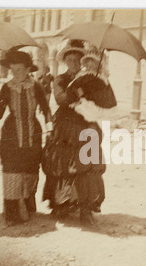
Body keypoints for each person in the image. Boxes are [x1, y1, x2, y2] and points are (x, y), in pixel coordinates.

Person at [42, 40, 117, 226]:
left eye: (77, 59)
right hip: (65, 126)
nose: (74, 63)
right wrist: (78, 90)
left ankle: (85, 209)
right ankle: (63, 204)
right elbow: (61, 99)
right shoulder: (60, 79)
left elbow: (106, 101)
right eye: (70, 59)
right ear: (65, 61)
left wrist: (96, 85)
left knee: (88, 167)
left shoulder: (92, 77)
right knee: (63, 164)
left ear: (82, 61)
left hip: (86, 125)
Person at [0, 50, 53, 226]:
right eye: (13, 70)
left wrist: (50, 130)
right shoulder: (6, 87)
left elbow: (46, 109)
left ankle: (26, 205)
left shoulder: (36, 86)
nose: (15, 73)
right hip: (11, 135)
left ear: (27, 69)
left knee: (30, 170)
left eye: (19, 69)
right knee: (11, 170)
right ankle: (12, 213)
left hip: (33, 134)